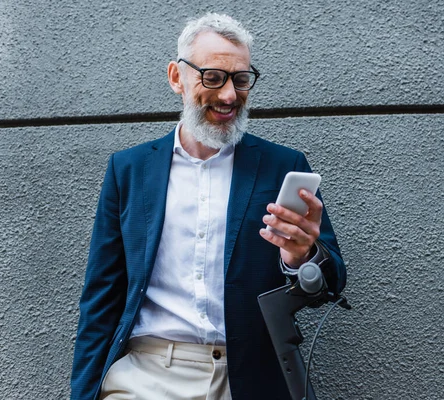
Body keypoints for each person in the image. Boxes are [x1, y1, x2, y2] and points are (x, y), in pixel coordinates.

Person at [71, 12, 346, 400]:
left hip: (251, 377)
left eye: (241, 79)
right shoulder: (129, 170)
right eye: (213, 77)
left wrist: (303, 259)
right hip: (146, 375)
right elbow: (101, 297)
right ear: (176, 77)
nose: (230, 95)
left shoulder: (284, 167)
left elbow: (331, 285)